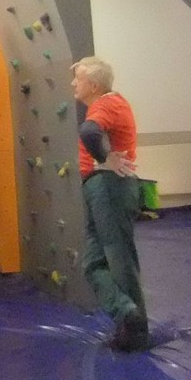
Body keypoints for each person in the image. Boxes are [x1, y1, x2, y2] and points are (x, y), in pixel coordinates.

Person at [71, 56, 147, 351]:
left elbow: (89, 131)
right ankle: (127, 314)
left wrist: (105, 158)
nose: (73, 83)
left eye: (78, 78)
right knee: (93, 263)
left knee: (118, 258)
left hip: (109, 185)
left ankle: (135, 330)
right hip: (101, 185)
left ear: (93, 84)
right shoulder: (107, 104)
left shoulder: (107, 103)